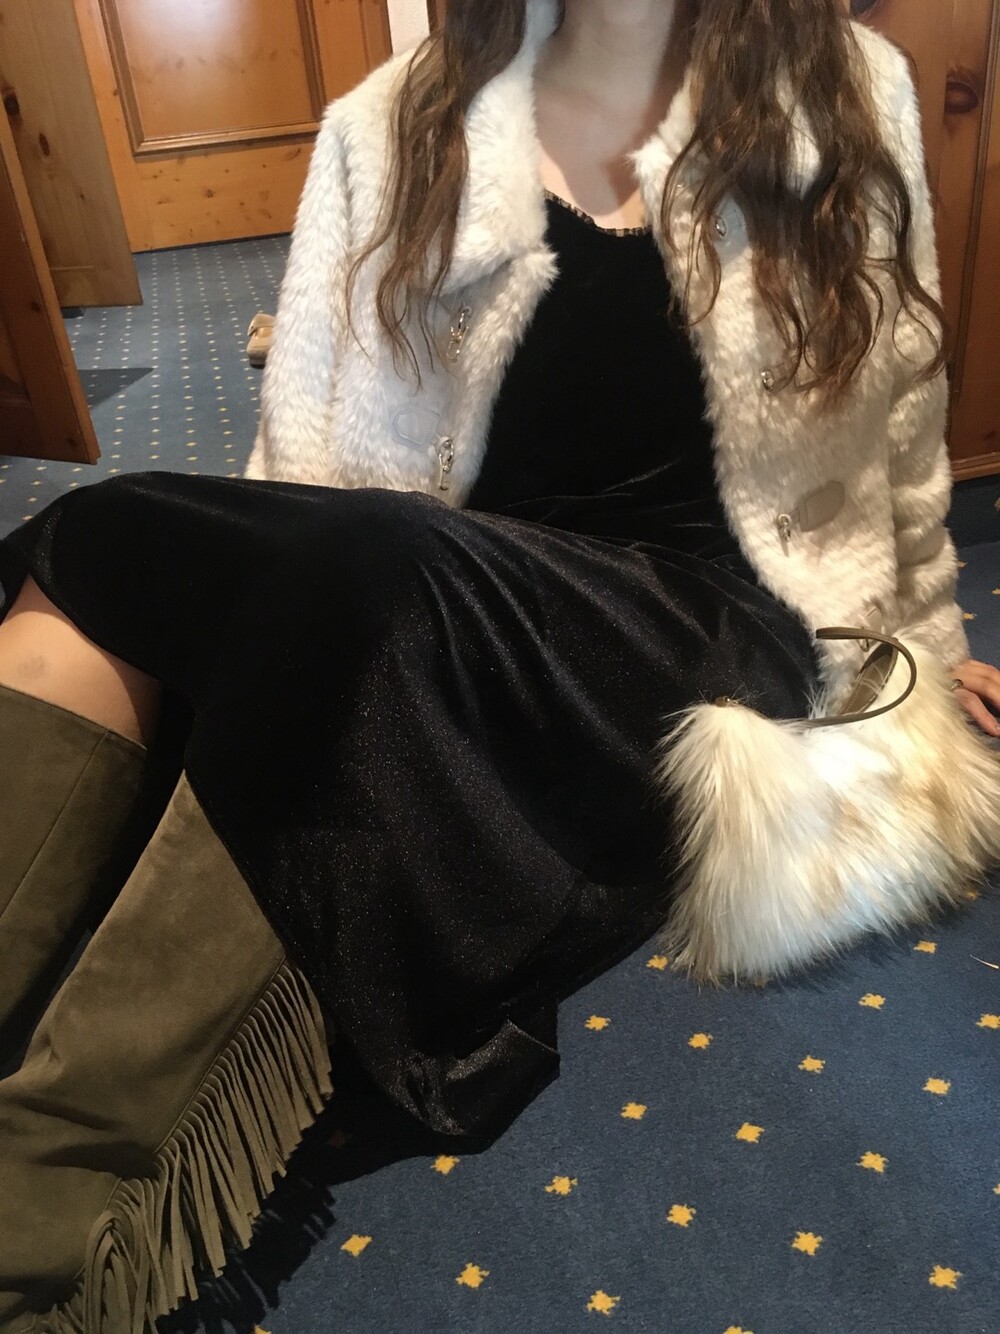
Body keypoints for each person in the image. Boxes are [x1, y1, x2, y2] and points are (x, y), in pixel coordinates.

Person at [1, 0, 999, 1328]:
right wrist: (227, 625)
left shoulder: (848, 91)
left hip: (710, 630)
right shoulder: (392, 124)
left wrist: (926, 637)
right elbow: (306, 462)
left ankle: (41, 1218)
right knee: (104, 541)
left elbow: (906, 411)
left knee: (378, 590)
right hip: (442, 588)